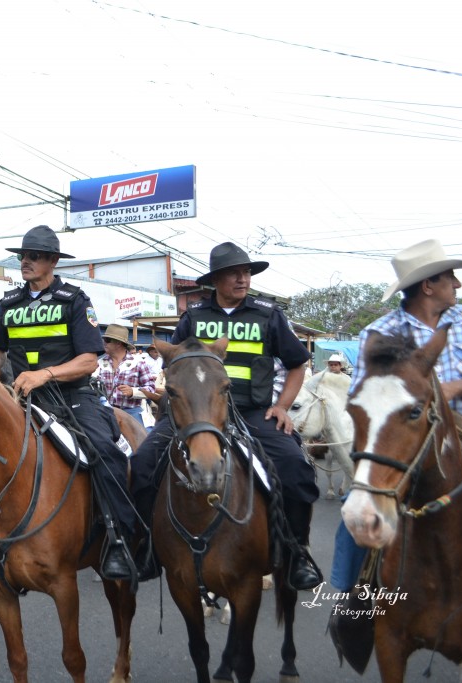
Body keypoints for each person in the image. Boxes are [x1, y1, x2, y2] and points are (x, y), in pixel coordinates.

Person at [130, 241, 323, 590]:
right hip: (196, 415)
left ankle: (297, 553)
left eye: (247, 272)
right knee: (142, 465)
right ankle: (144, 548)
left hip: (251, 412)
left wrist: (281, 405)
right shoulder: (194, 317)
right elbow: (173, 362)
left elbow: (297, 363)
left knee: (296, 470)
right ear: (216, 280)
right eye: (234, 273)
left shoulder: (268, 314)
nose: (243, 278)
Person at [0, 225, 136, 581]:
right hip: (21, 398)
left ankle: (117, 539)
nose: (26, 261)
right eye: (23, 255)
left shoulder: (75, 299)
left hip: (72, 397)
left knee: (105, 451)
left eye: (34, 256)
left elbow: (88, 360)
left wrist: (45, 374)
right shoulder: (8, 303)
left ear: (53, 261)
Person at [329, 239, 462, 595]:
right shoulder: (378, 334)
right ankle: (349, 600)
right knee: (356, 511)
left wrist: (450, 391)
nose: (457, 284)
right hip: (406, 444)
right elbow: (361, 400)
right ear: (428, 286)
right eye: (450, 277)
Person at [94, 323, 157, 426]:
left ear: (118, 343)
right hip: (104, 412)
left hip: (132, 412)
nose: (104, 343)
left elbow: (151, 389)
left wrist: (133, 392)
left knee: (147, 440)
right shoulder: (99, 364)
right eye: (104, 340)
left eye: (107, 340)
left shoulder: (138, 362)